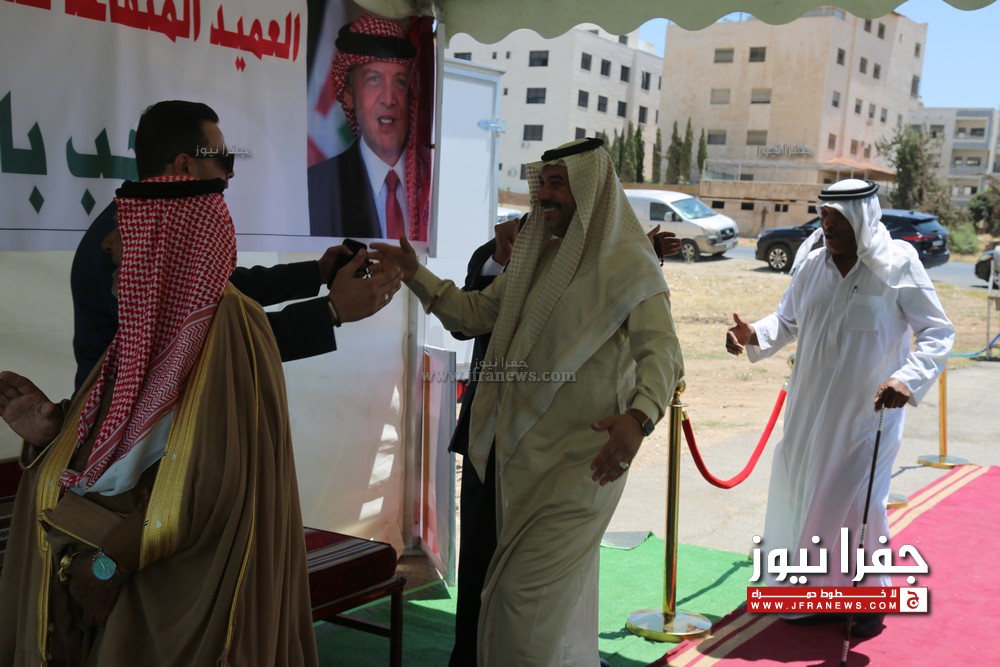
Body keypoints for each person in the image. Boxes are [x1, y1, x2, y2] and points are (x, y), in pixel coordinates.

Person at [374, 137, 684, 666]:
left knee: (521, 609)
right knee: (513, 607)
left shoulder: (629, 263)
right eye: (542, 183)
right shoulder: (540, 256)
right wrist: (414, 274)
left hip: (581, 469)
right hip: (520, 467)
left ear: (589, 189)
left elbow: (664, 353)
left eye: (557, 184)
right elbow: (473, 313)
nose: (543, 196)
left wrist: (639, 418)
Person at [0, 172, 317, 665]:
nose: (108, 244)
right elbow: (132, 448)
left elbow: (211, 485)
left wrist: (108, 564)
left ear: (170, 243)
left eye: (125, 229)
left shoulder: (230, 332)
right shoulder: (149, 331)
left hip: (177, 595)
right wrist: (55, 433)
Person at [726, 179, 954, 636]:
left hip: (867, 415)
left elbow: (937, 332)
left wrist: (907, 378)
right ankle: (813, 594)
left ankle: (868, 600)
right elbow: (787, 320)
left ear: (862, 218)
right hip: (808, 409)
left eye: (837, 218)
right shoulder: (812, 264)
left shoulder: (897, 264)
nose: (827, 225)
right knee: (806, 495)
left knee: (859, 503)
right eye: (824, 216)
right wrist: (754, 335)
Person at [447, 215, 678, 667]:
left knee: (556, 567)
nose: (551, 202)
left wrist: (638, 263)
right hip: (490, 436)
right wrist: (502, 259)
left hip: (564, 443)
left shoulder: (600, 256)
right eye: (545, 187)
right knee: (484, 558)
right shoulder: (498, 250)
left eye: (561, 187)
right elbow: (465, 320)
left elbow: (635, 340)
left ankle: (566, 653)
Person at [71, 100, 400, 391]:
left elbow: (220, 291)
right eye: (222, 160)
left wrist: (317, 272)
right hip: (125, 434)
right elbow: (215, 348)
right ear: (185, 167)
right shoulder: (127, 245)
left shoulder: (153, 227)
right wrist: (332, 310)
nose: (229, 175)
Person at [308, 13, 431, 242]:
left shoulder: (429, 178)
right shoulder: (317, 187)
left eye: (400, 82)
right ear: (349, 94)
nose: (389, 99)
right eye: (374, 79)